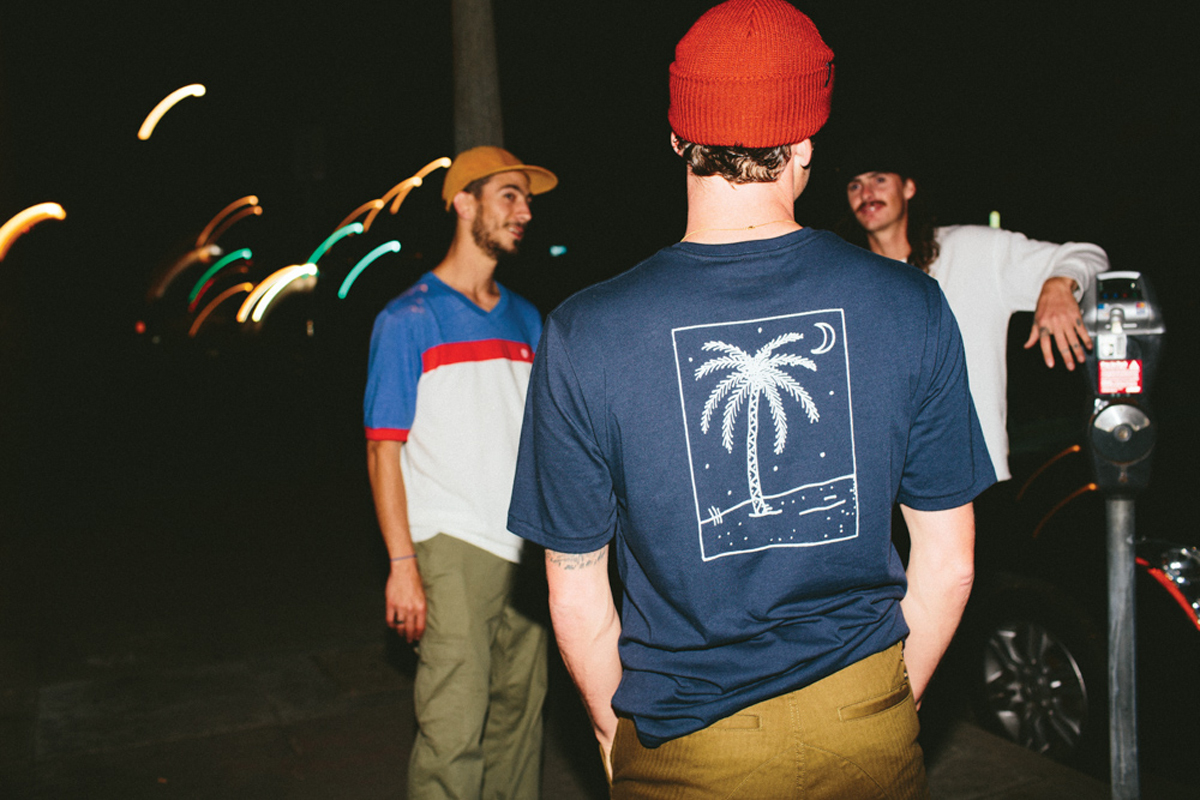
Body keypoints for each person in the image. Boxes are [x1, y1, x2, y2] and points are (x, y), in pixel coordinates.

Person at [507, 2, 994, 798]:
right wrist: (885, 712)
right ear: (807, 142)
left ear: (677, 137)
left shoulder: (583, 333)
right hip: (865, 725)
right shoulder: (910, 305)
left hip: (686, 742)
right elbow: (951, 564)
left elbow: (575, 588)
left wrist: (614, 739)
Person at [363, 145, 557, 799]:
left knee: (519, 723)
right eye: (509, 196)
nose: (524, 211)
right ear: (464, 204)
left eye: (527, 199)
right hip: (451, 545)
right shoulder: (408, 319)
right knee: (453, 729)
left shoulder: (527, 318)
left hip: (526, 547)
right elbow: (382, 450)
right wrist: (402, 565)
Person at [840, 136, 1108, 481]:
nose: (866, 193)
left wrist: (1059, 285)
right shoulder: (849, 279)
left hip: (974, 476)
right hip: (884, 482)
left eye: (879, 179)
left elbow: (1089, 255)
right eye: (855, 185)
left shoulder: (971, 250)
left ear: (908, 188)